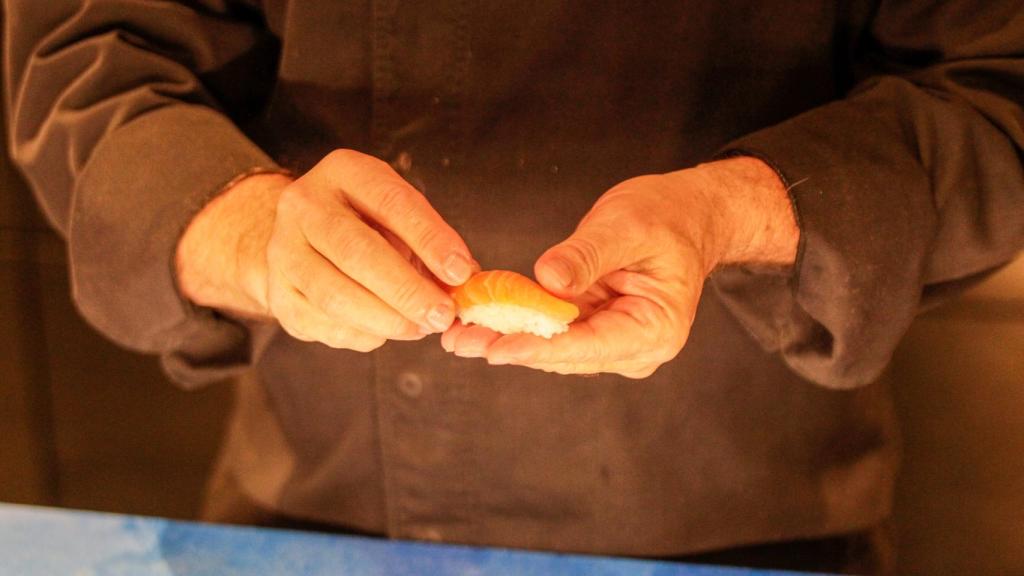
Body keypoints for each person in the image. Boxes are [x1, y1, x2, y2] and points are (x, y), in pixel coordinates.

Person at [5, 1, 1023, 573]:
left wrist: (737, 210)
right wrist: (242, 226)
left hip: (754, 525)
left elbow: (997, 86)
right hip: (315, 518)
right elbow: (88, 54)